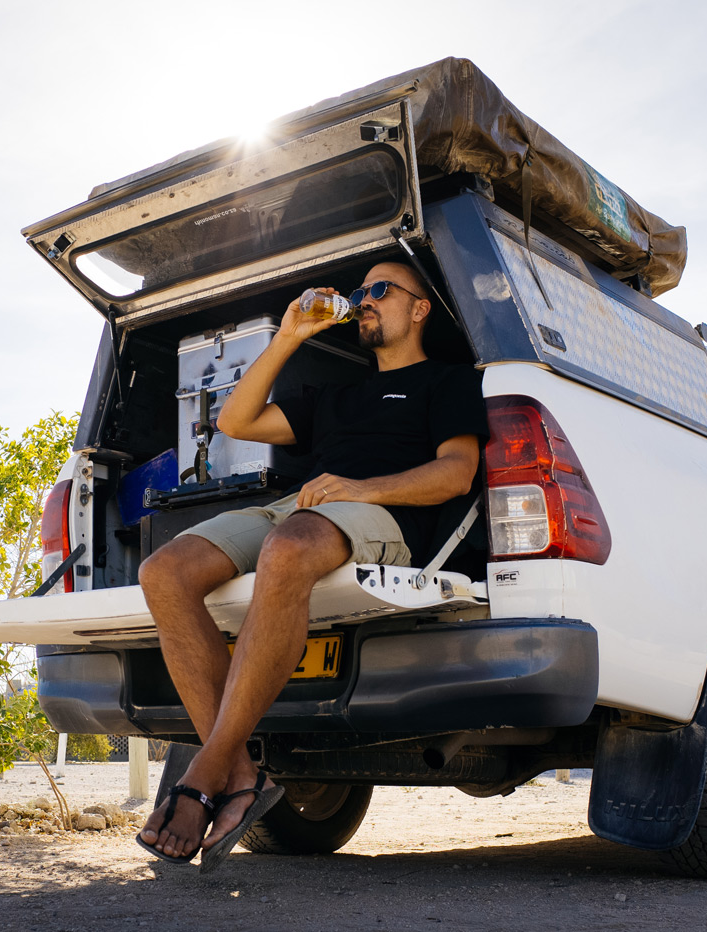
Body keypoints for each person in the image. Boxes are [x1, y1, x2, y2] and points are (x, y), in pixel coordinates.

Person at [135, 261, 489, 871]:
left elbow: (456, 471)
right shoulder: (335, 396)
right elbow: (234, 421)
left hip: (382, 516)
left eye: (380, 290)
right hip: (299, 509)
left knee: (289, 549)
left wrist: (361, 489)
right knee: (164, 573)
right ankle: (239, 771)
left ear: (420, 308)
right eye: (360, 294)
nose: (365, 301)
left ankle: (204, 774)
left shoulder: (448, 382)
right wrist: (290, 335)